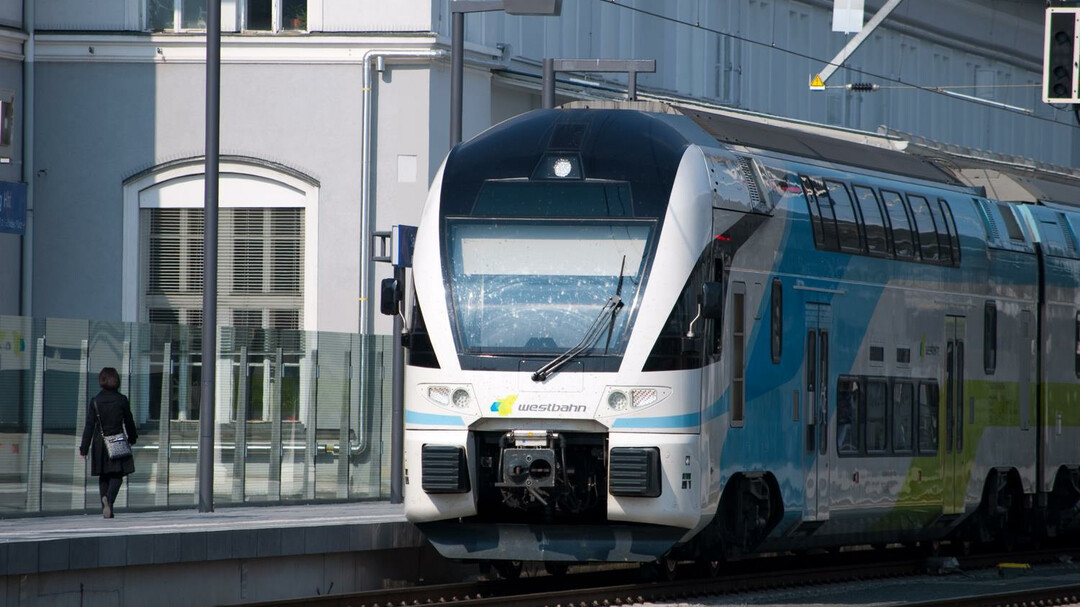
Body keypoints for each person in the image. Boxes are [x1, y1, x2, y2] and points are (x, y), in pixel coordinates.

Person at [79, 367, 138, 518]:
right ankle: (109, 500)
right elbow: (129, 421)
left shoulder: (95, 401)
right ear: (116, 380)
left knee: (103, 475)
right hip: (117, 440)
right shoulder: (121, 399)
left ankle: (105, 507)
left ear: (102, 381)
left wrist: (84, 448)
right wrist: (132, 438)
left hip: (100, 442)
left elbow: (89, 426)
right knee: (117, 474)